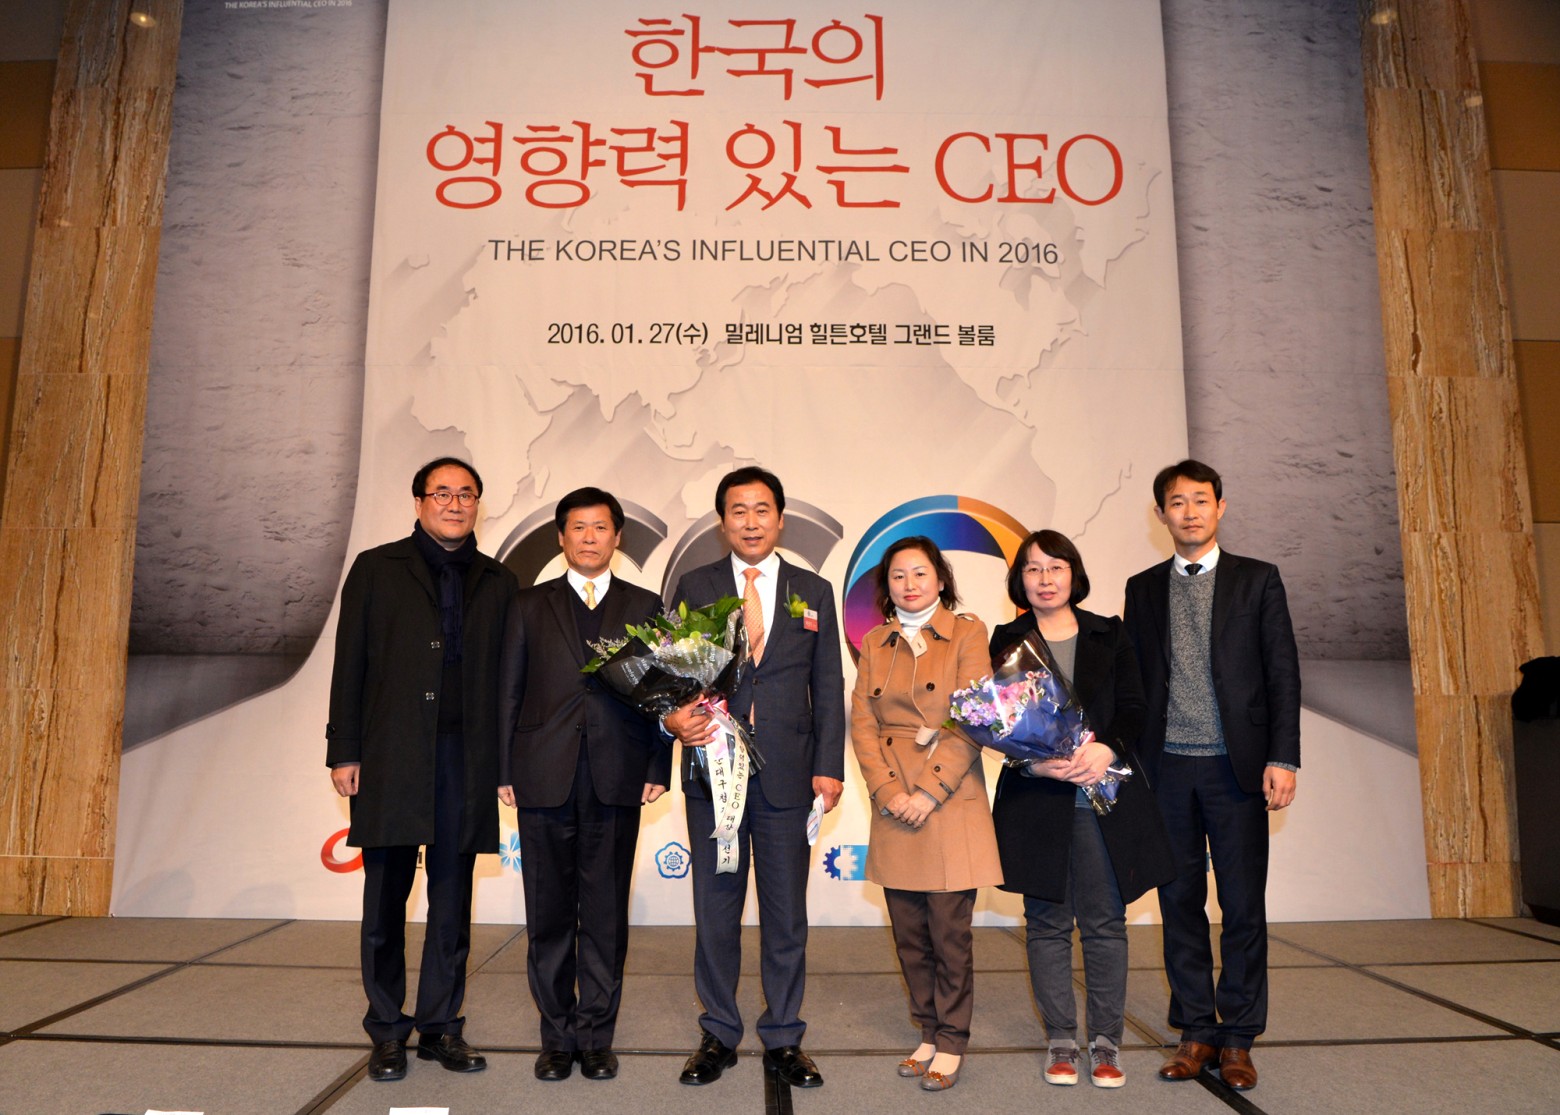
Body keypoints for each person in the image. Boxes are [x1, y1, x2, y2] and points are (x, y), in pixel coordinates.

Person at [326, 456, 519, 1082]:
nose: (455, 504)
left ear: (478, 504)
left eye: (467, 494)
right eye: (442, 493)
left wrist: (508, 762)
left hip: (467, 759)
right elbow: (349, 663)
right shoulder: (376, 568)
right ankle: (386, 1029)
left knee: (452, 903)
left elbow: (511, 682)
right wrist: (344, 749)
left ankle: (440, 1026)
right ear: (418, 503)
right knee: (385, 901)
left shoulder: (500, 580)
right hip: (391, 755)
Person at [662, 466, 846, 1089]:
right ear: (722, 522)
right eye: (737, 511)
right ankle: (717, 1032)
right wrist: (675, 720)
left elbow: (827, 683)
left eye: (761, 510)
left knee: (786, 914)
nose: (750, 522)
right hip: (713, 773)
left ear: (780, 519)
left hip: (790, 778)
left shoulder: (813, 589)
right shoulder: (695, 586)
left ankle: (785, 1036)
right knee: (715, 910)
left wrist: (828, 765)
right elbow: (674, 678)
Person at [1122, 459, 1300, 1092]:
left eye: (1201, 500)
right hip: (1166, 769)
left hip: (1237, 769)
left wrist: (1283, 757)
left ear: (1220, 507)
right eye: (1177, 502)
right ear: (1161, 514)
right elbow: (1134, 683)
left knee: (1243, 905)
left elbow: (1282, 673)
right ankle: (1196, 1030)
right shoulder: (1142, 588)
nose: (1190, 512)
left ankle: (1239, 1038)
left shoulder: (1259, 579)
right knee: (1179, 905)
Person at [989, 531, 1176, 1089]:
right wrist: (1033, 764)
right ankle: (1061, 1041)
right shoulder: (1007, 639)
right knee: (1046, 924)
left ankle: (1106, 1043)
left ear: (1074, 573)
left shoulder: (1108, 633)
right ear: (1019, 580)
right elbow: (997, 725)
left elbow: (1136, 706)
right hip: (1037, 801)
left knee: (1104, 924)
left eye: (1056, 567)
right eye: (1033, 569)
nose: (1045, 579)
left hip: (1103, 799)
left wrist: (1107, 748)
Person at [497, 487, 670, 1083]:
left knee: (605, 914)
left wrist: (656, 766)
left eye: (600, 527)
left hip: (618, 774)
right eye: (578, 527)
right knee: (547, 914)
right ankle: (556, 1036)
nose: (589, 537)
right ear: (561, 537)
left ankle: (596, 1035)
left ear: (617, 537)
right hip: (542, 773)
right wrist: (503, 769)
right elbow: (508, 691)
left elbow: (663, 697)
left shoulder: (646, 606)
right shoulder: (527, 604)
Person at [850, 536, 1001, 1093]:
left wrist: (929, 792)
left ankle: (953, 1039)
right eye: (898, 575)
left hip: (949, 797)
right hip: (894, 798)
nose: (909, 584)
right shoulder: (875, 641)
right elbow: (863, 723)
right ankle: (928, 1032)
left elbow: (975, 718)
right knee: (910, 935)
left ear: (940, 578)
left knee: (948, 933)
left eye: (919, 573)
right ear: (886, 586)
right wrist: (889, 791)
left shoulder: (967, 632)